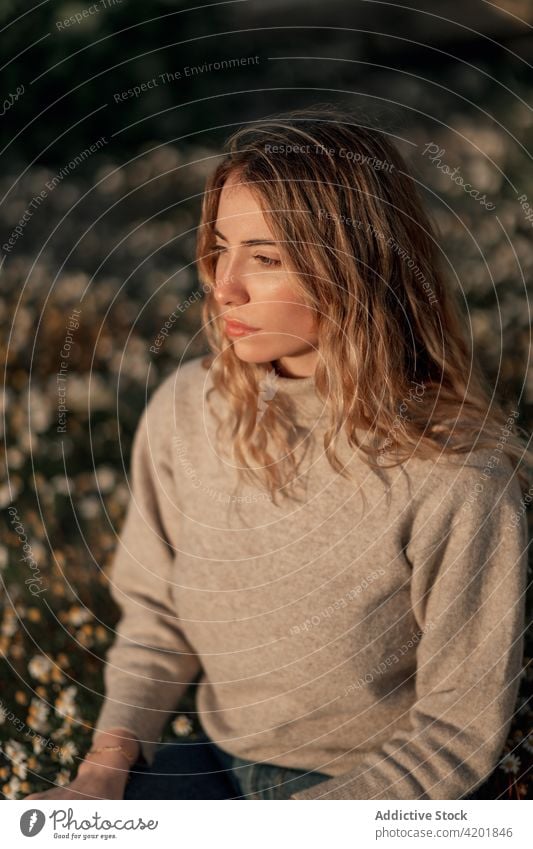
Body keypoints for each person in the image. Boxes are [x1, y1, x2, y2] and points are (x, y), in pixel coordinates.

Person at [25, 106, 530, 801]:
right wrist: (104, 766)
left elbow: (453, 733)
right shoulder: (183, 411)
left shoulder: (457, 480)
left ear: (354, 268)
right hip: (213, 764)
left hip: (376, 793)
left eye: (264, 258)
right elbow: (155, 617)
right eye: (219, 248)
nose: (221, 284)